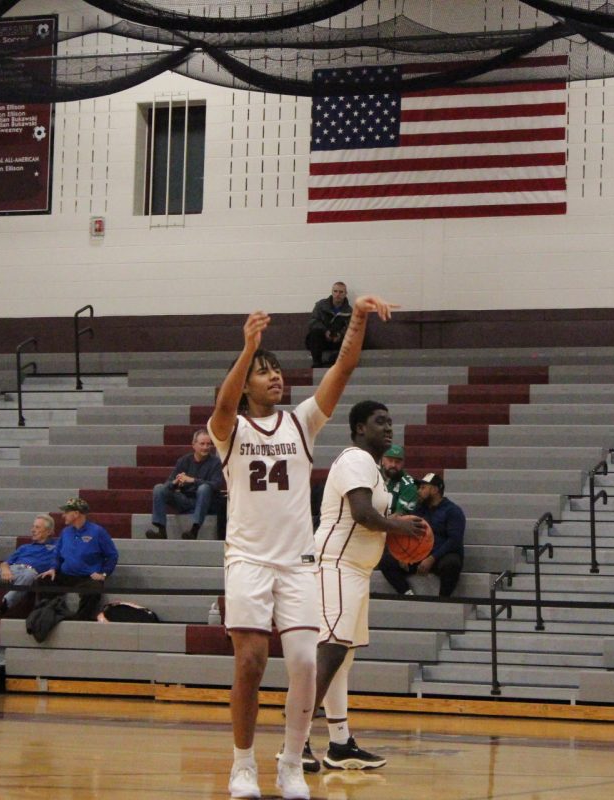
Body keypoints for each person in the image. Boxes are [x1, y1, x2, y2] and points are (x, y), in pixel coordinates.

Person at [211, 295, 396, 800]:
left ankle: (291, 763)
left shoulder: (302, 422)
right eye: (262, 372)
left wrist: (356, 317)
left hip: (297, 562)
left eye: (275, 370)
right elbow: (224, 406)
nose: (274, 377)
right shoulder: (231, 429)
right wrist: (249, 347)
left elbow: (345, 365)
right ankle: (242, 765)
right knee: (250, 662)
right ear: (246, 380)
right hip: (248, 559)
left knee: (305, 664)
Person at [300, 400, 425, 773]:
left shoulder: (372, 467)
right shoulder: (355, 459)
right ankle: (296, 739)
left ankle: (339, 745)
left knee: (342, 657)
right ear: (358, 429)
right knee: (331, 651)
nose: (388, 428)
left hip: (354, 569)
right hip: (336, 564)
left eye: (390, 421)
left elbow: (374, 516)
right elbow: (361, 513)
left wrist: (398, 525)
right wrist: (400, 527)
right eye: (379, 422)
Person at [377, 473, 465, 597]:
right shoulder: (419, 510)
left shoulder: (453, 511)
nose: (418, 491)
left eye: (423, 487)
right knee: (386, 561)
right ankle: (407, 593)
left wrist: (432, 558)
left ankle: (443, 599)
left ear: (435, 490)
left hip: (439, 557)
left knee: (452, 563)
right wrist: (404, 555)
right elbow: (410, 533)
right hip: (418, 555)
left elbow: (454, 541)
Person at [39, 498, 118, 621]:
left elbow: (112, 555)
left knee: (94, 590)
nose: (63, 515)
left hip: (87, 577)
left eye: (66, 512)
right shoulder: (65, 532)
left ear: (76, 514)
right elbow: (57, 553)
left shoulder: (97, 532)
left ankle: (80, 620)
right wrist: (53, 568)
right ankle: (48, 615)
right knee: (43, 580)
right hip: (66, 575)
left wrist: (104, 573)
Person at [145, 428, 223, 540]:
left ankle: (194, 530)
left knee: (204, 488)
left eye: (208, 444)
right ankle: (161, 530)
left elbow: (216, 485)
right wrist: (175, 483)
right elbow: (167, 485)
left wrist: (193, 480)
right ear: (193, 445)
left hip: (206, 502)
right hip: (185, 500)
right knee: (159, 488)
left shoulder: (215, 462)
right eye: (202, 444)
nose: (206, 447)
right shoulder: (184, 461)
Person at [304, 282, 353, 368]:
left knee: (353, 341)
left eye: (341, 292)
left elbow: (350, 329)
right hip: (321, 339)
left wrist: (340, 335)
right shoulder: (320, 305)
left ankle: (333, 362)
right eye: (335, 291)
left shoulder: (349, 311)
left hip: (338, 341)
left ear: (345, 294)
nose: (338, 294)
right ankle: (317, 363)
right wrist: (325, 331)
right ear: (332, 292)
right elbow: (313, 322)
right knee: (315, 333)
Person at [380, 444, 418, 514]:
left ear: (403, 463)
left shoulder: (409, 484)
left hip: (393, 523)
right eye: (390, 460)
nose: (393, 465)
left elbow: (399, 516)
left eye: (397, 462)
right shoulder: (374, 475)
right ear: (382, 461)